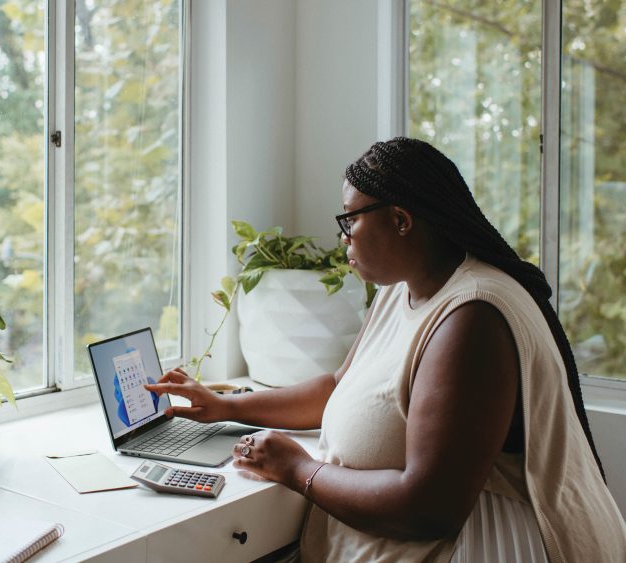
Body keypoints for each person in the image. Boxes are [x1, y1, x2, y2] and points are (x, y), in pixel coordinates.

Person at [145, 137, 626, 562]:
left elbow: (427, 509)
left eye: (349, 219)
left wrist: (297, 469)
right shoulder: (404, 288)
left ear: (400, 220)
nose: (342, 236)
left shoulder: (471, 317)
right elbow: (338, 386)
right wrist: (226, 405)